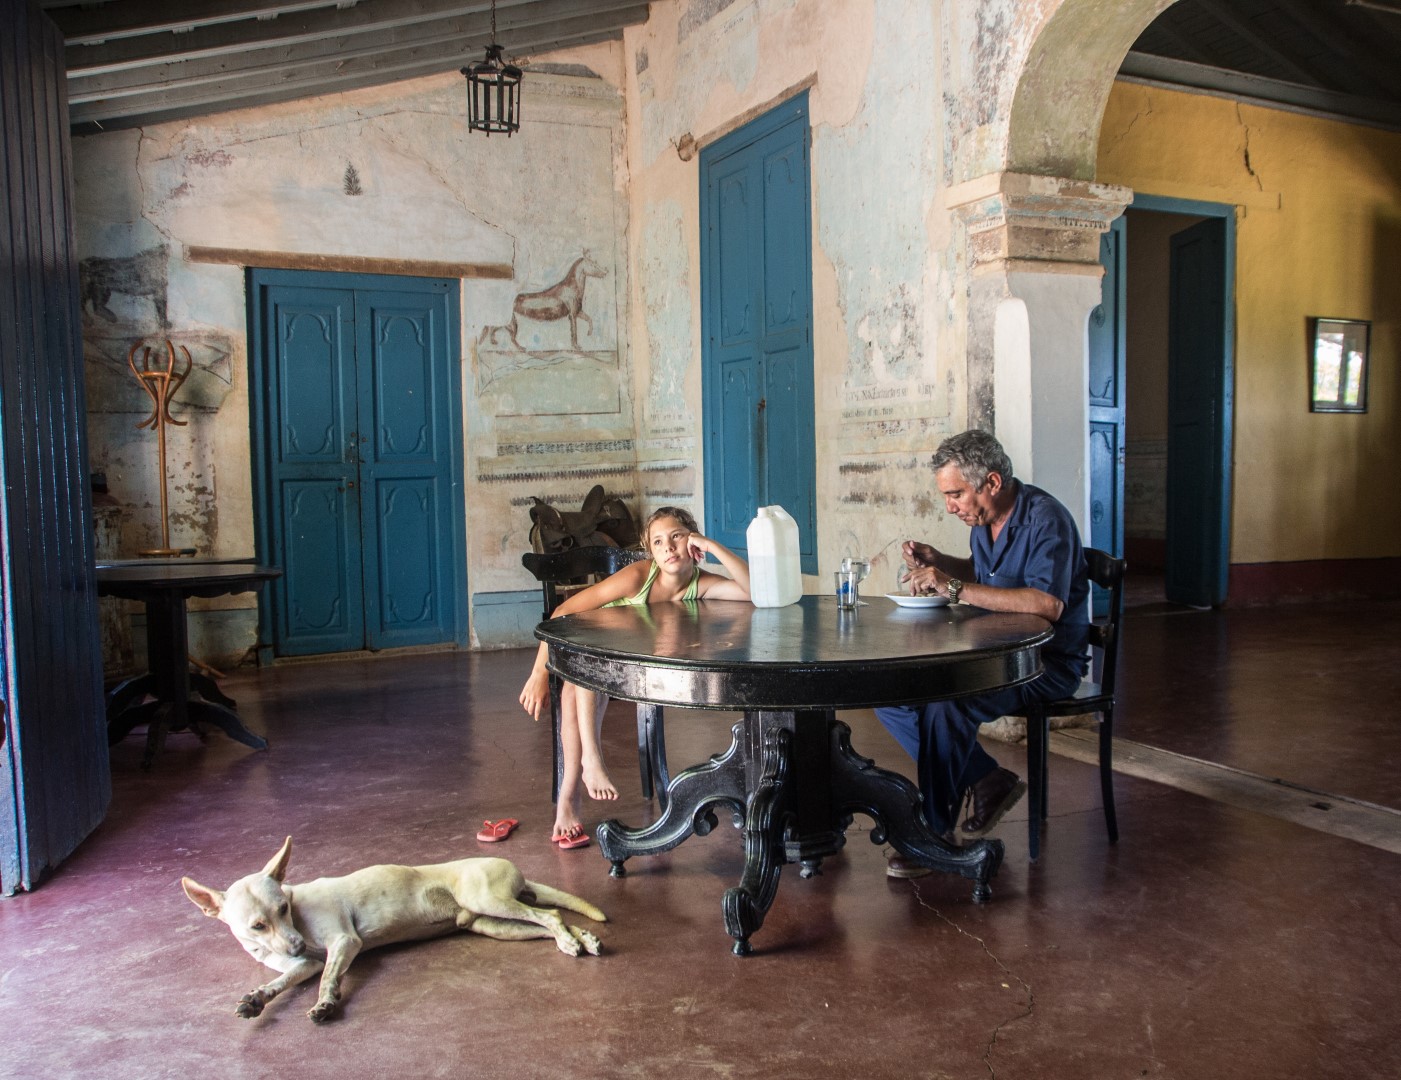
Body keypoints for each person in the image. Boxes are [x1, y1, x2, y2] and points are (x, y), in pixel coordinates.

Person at [878, 430, 1089, 878]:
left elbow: (1047, 605)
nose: (950, 505)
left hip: (1041, 665)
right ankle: (988, 779)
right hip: (992, 655)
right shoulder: (984, 521)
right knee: (889, 696)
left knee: (946, 701)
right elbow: (987, 573)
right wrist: (943, 561)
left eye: (956, 494)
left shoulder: (1045, 520)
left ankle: (933, 835)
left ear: (991, 482)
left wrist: (952, 587)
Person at [520, 507, 751, 848]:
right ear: (651, 552)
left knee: (576, 687)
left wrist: (714, 547)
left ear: (692, 540)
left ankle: (570, 798)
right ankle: (590, 763)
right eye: (658, 542)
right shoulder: (641, 575)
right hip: (589, 648)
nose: (669, 548)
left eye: (677, 537)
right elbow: (563, 611)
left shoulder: (700, 585)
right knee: (584, 669)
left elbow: (753, 592)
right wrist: (539, 673)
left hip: (626, 666)